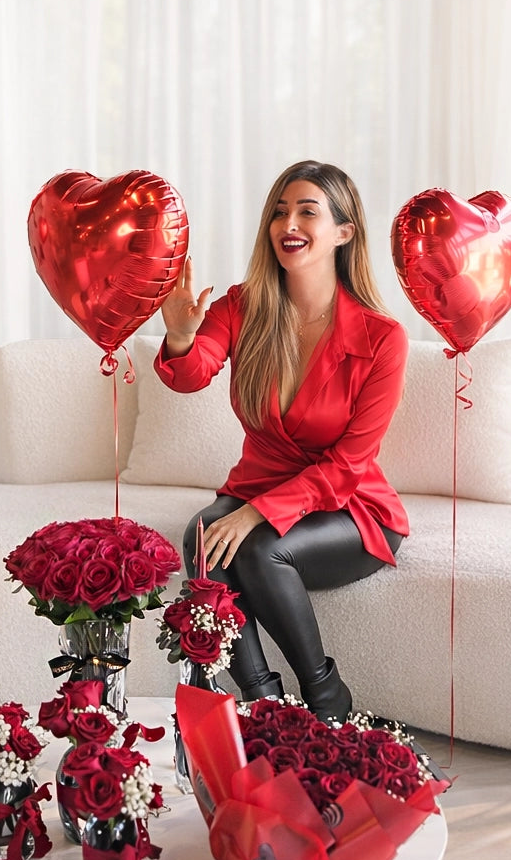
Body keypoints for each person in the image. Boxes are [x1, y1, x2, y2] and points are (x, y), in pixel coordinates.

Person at [154, 160, 410, 723]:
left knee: (254, 543)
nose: (287, 222)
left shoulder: (382, 337)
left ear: (344, 233)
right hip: (258, 485)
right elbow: (194, 371)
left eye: (306, 210)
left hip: (350, 508)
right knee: (203, 535)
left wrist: (254, 515)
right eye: (279, 210)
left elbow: (347, 467)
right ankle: (264, 705)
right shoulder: (242, 306)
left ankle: (326, 698)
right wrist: (178, 336)